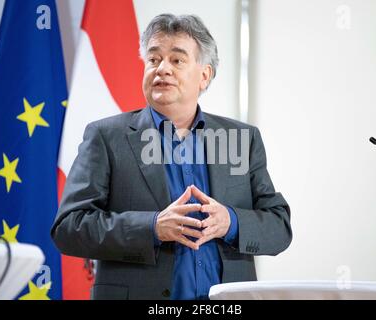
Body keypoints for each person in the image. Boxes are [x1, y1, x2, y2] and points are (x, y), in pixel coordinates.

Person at [51, 13, 292, 300]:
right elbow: (69, 227)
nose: (162, 69)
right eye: (153, 59)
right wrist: (152, 227)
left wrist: (230, 222)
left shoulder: (242, 138)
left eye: (177, 60)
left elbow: (279, 227)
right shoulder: (106, 137)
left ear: (205, 75)